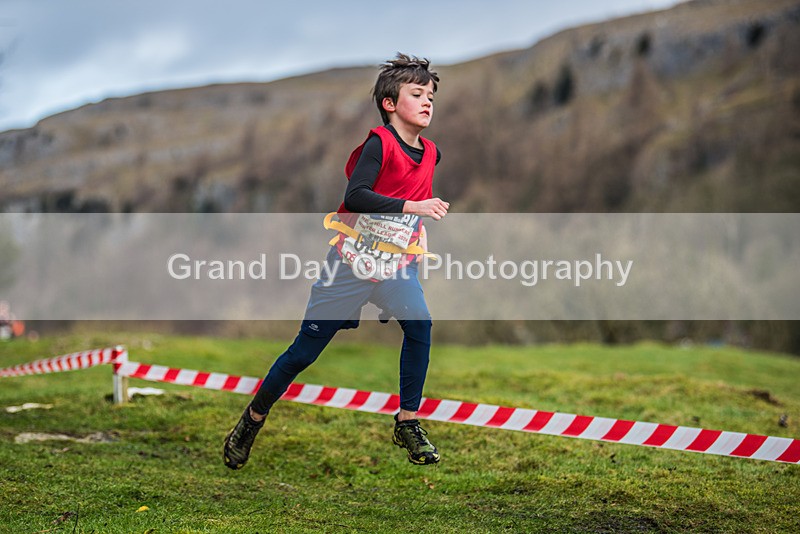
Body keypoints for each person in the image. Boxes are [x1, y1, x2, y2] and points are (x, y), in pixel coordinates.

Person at [224, 53, 449, 468]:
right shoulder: (378, 145)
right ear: (389, 103)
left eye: (431, 95)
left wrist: (414, 233)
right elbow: (358, 195)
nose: (427, 102)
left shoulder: (432, 152)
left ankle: (408, 422)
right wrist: (413, 208)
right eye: (416, 94)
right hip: (349, 265)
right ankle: (252, 420)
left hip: (396, 266)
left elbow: (411, 207)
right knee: (302, 354)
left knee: (420, 324)